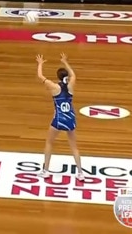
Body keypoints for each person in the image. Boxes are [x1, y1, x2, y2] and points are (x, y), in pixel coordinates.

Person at [36, 53, 85, 181]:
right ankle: (80, 173)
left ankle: (45, 170)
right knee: (74, 146)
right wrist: (65, 62)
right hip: (70, 118)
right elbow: (73, 75)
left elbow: (40, 76)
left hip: (59, 119)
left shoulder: (55, 87)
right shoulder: (71, 86)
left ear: (58, 77)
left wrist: (40, 64)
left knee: (49, 142)